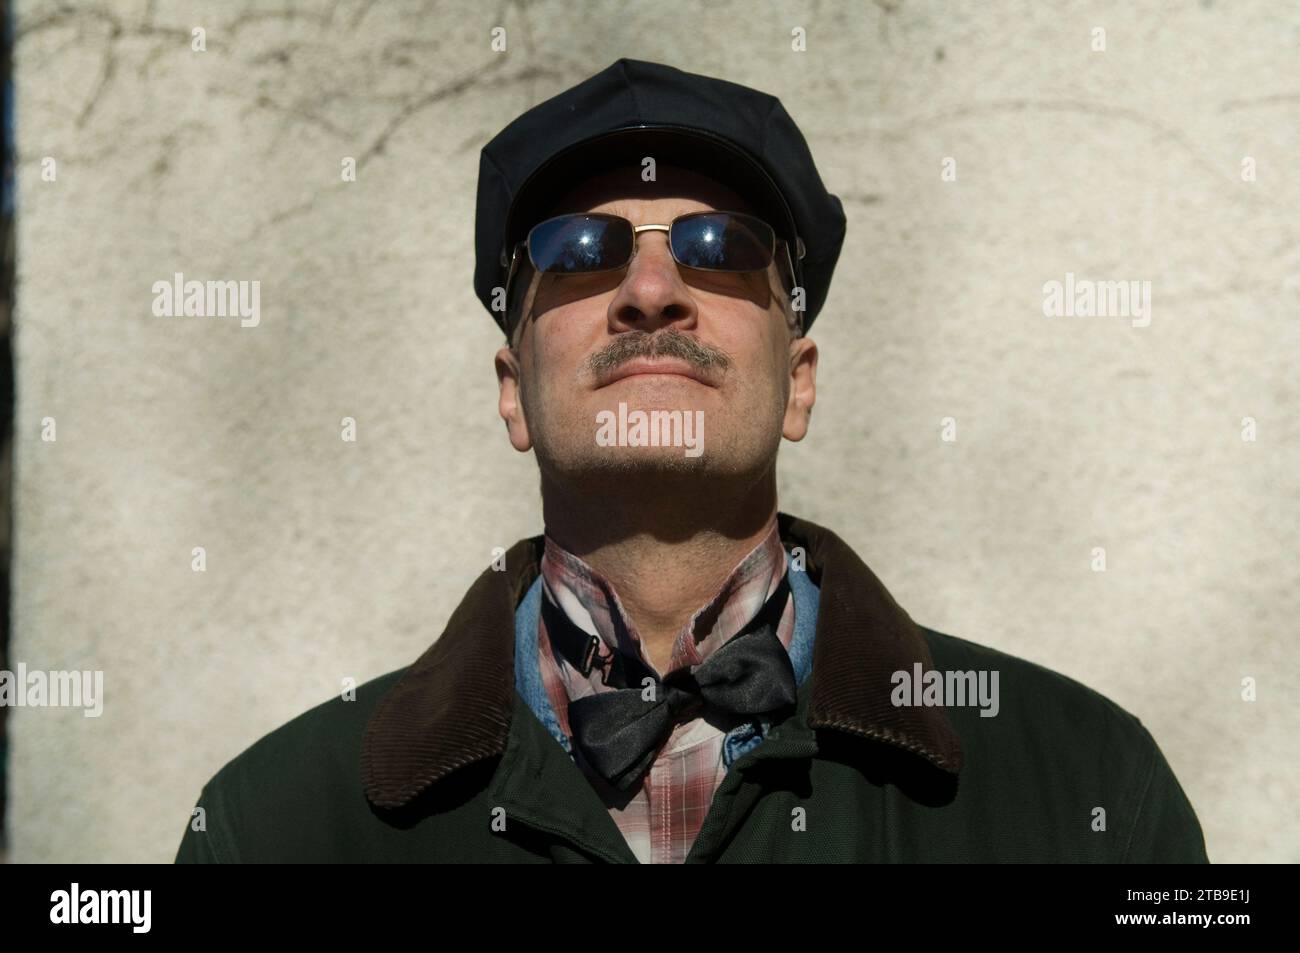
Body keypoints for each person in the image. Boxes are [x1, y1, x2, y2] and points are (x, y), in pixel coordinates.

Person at [175, 58, 1207, 863]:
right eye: (580, 247)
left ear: (797, 380)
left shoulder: (1083, 790)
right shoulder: (275, 823)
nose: (652, 288)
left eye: (720, 245)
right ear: (512, 391)